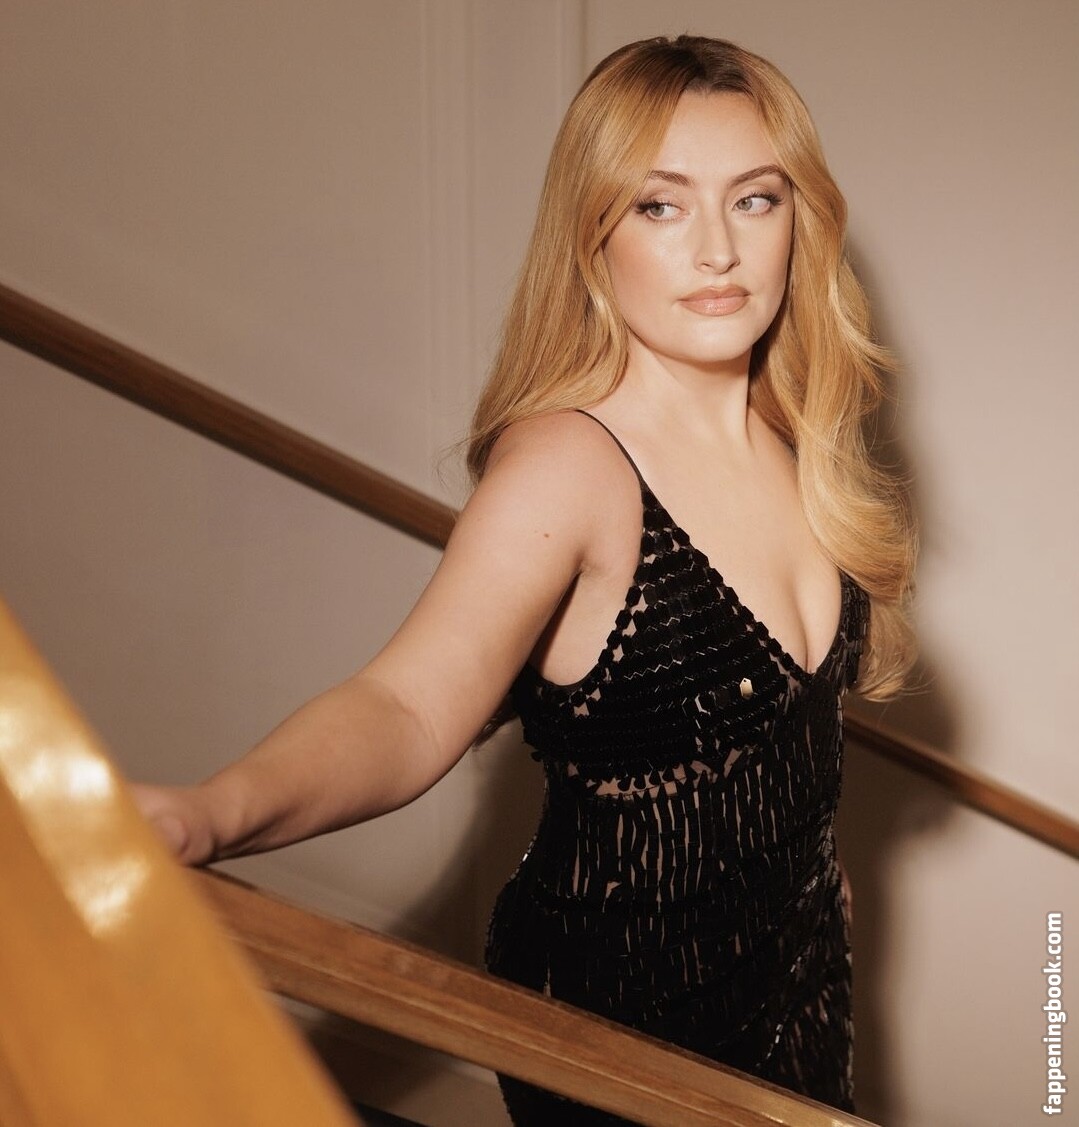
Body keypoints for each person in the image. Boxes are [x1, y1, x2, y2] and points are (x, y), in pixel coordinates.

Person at [134, 34, 916, 1124]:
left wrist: (820, 900)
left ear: (799, 220)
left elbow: (791, 755)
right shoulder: (570, 465)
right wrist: (213, 813)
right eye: (658, 205)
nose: (716, 249)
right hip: (621, 1038)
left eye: (753, 199)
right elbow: (407, 707)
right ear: (593, 233)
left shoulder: (798, 449)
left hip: (800, 1001)